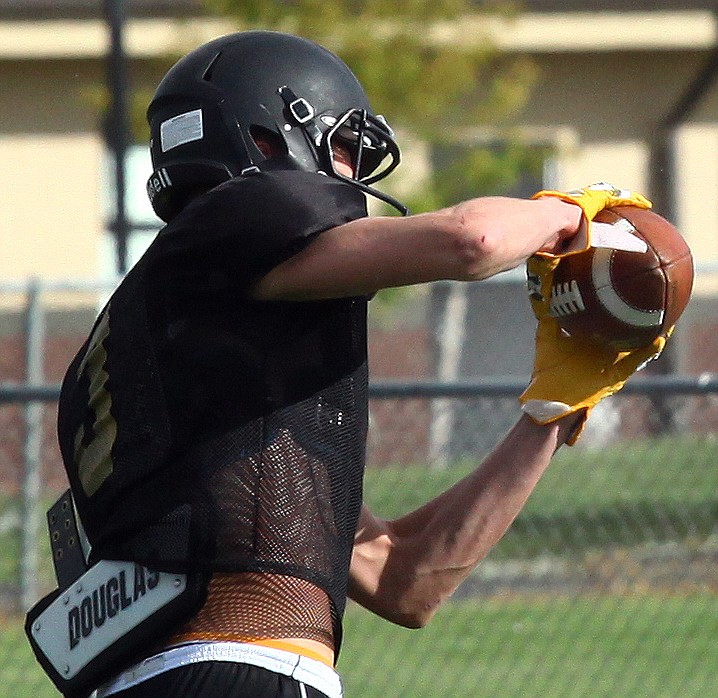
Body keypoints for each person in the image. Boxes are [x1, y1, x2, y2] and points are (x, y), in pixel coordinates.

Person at [48, 30, 667, 698]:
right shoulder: (233, 220)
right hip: (244, 672)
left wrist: (554, 408)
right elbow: (473, 241)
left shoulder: (156, 344)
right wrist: (569, 211)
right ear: (265, 138)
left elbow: (408, 580)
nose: (350, 172)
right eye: (343, 146)